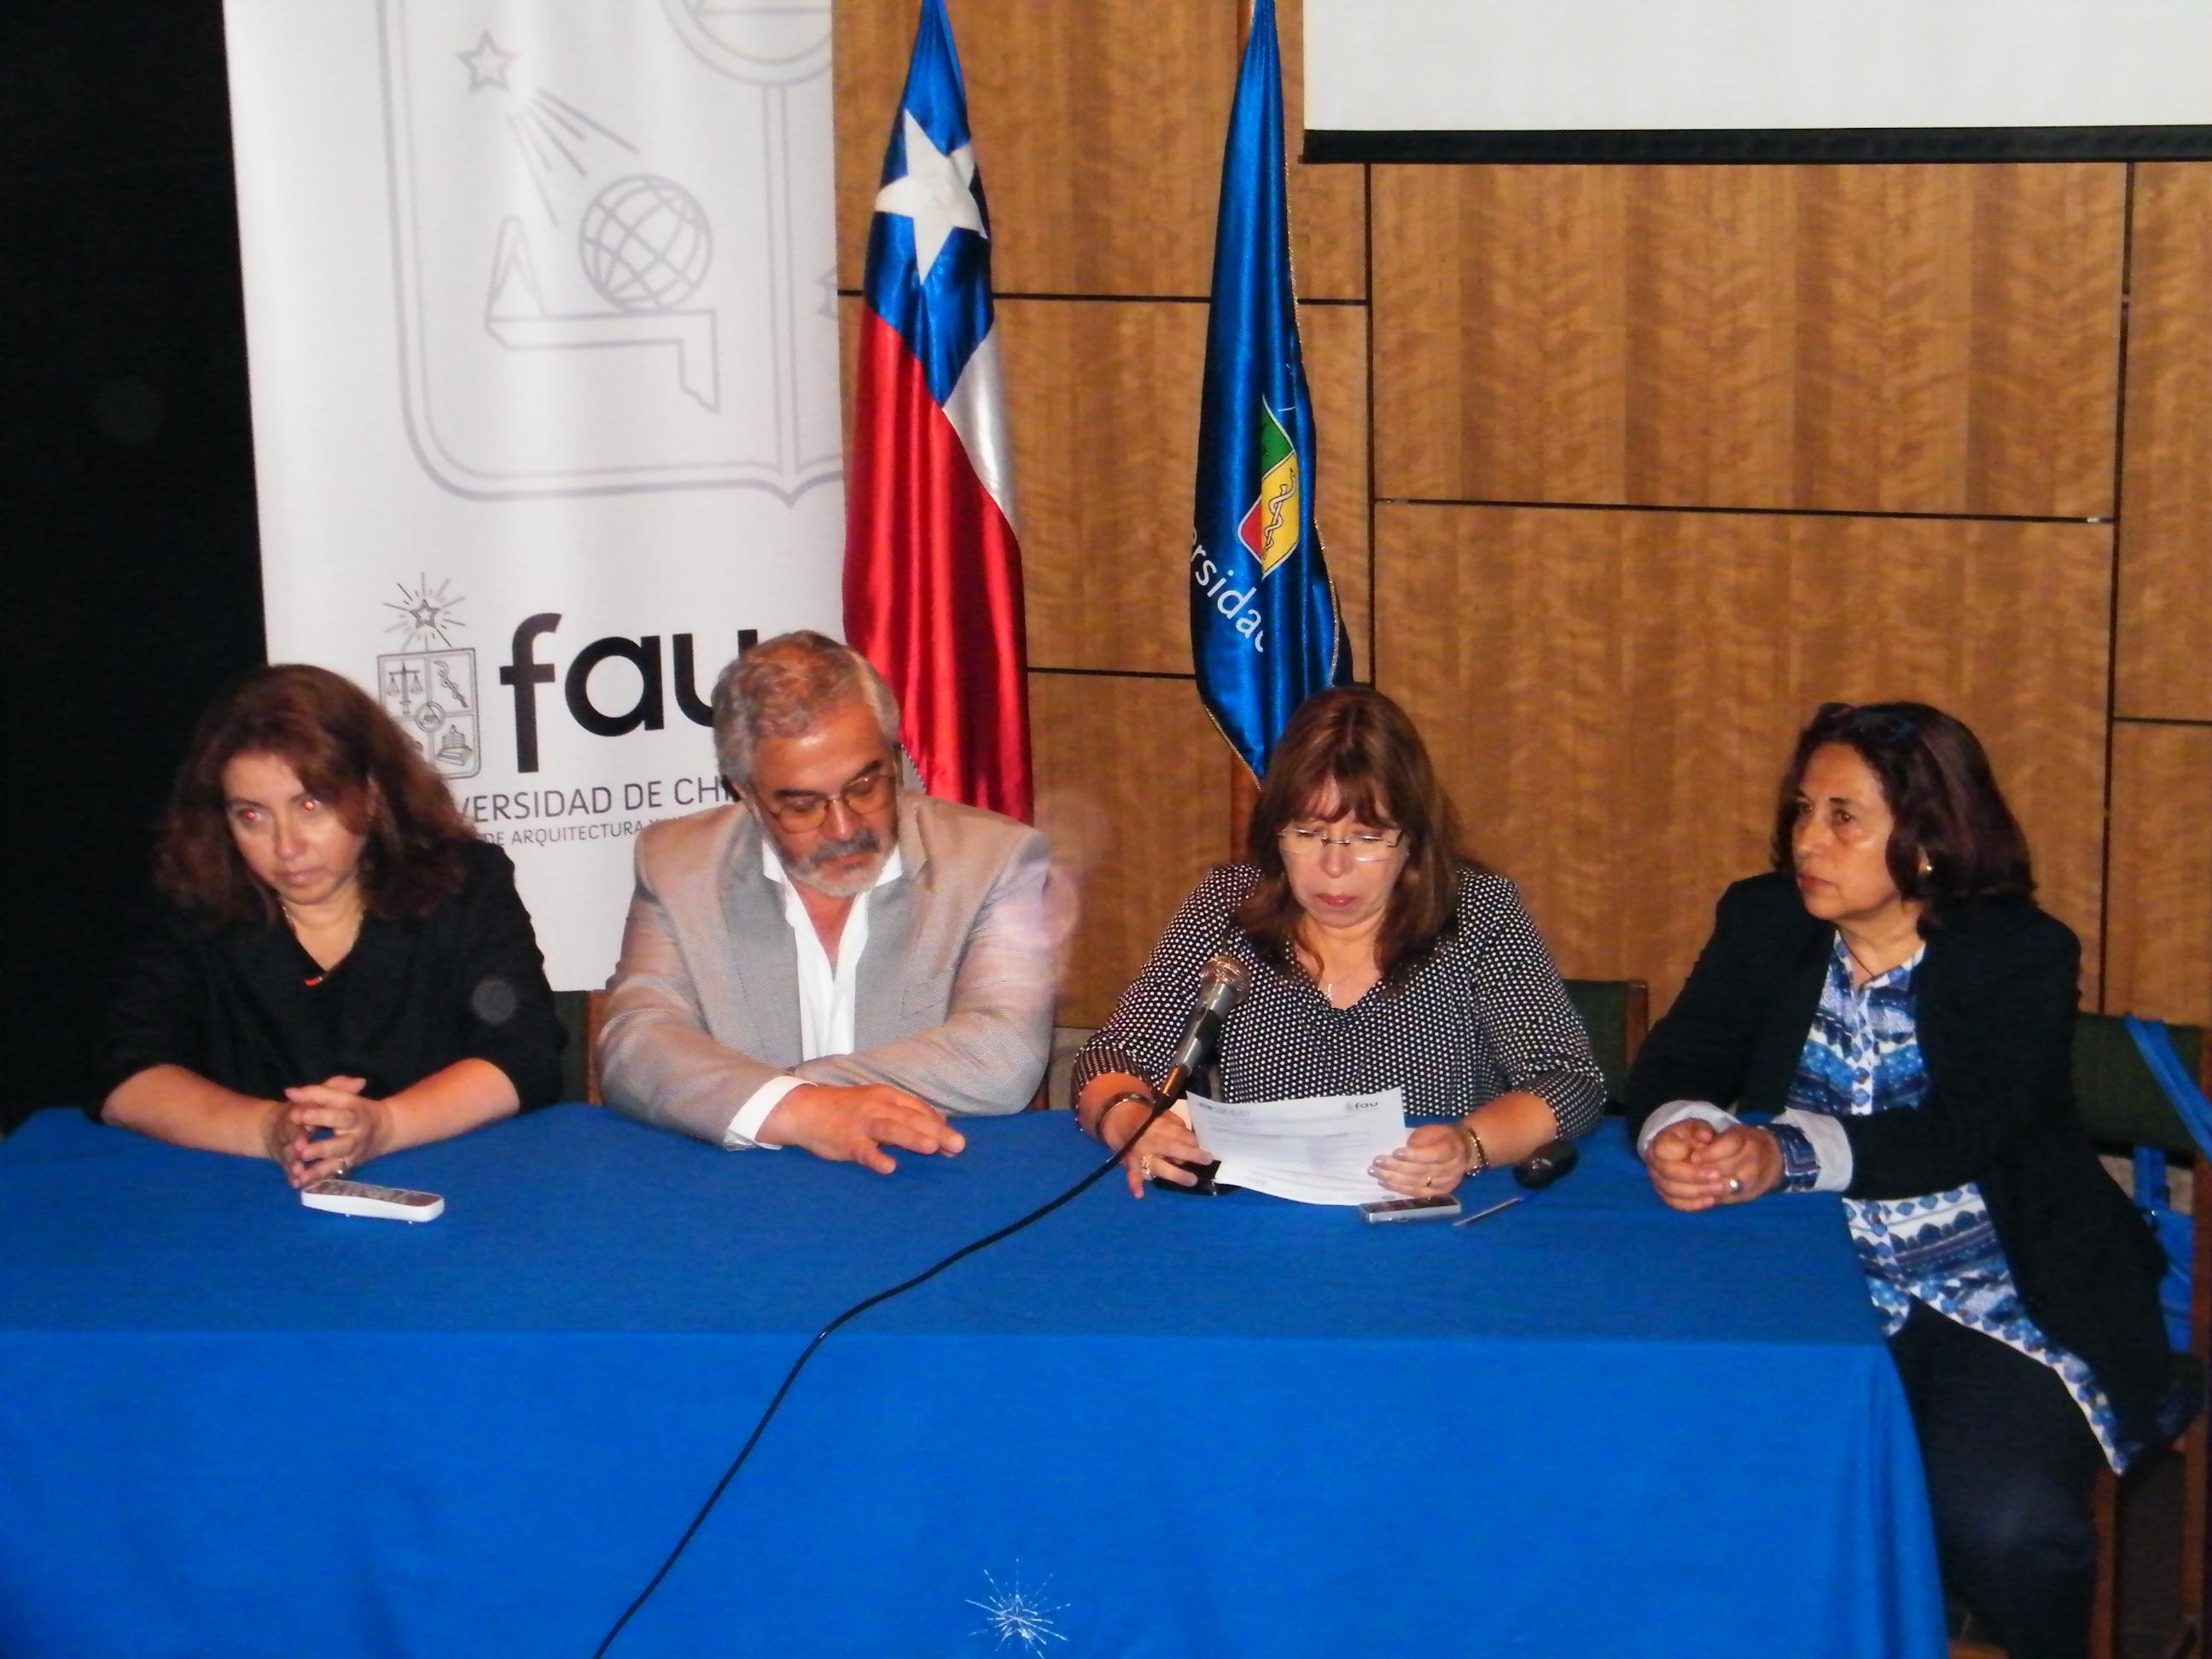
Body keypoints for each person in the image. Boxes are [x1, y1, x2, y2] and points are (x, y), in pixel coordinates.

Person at [1627, 701, 2181, 1659]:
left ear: (1926, 838)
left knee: (2012, 1524)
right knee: (1690, 1483)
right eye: (1803, 810)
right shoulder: (1765, 922)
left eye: (1843, 816)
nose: (1808, 839)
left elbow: (1964, 1131)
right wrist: (1680, 1131)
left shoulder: (2022, 955)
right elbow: (1679, 1062)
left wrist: (1784, 1154)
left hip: (1996, 1286)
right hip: (1809, 1286)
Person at [1073, 686, 1604, 1198]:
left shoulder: (1477, 913)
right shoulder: (1227, 905)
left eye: (1368, 839)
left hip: (1421, 1211)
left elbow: (1570, 1081)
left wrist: (1469, 1145)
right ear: (1275, 831)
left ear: (1413, 839)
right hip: (1262, 1220)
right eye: (1307, 835)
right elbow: (1111, 1056)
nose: (1333, 867)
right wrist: (1130, 1122)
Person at [596, 630, 1057, 1172]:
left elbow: (1003, 1055)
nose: (844, 827)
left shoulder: (996, 859)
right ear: (744, 792)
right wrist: (801, 1113)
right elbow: (636, 1042)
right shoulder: (677, 863)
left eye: (865, 786)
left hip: (927, 1186)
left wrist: (787, 1099)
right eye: (803, 805)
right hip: (743, 1197)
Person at [96, 664, 564, 1185]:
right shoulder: (189, 901)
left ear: (371, 792)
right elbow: (126, 1075)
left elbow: (527, 1053)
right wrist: (268, 1128)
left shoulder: (463, 882)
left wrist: (387, 1125)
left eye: (310, 806)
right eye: (251, 816)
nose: (286, 846)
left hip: (448, 1182)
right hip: (236, 1198)